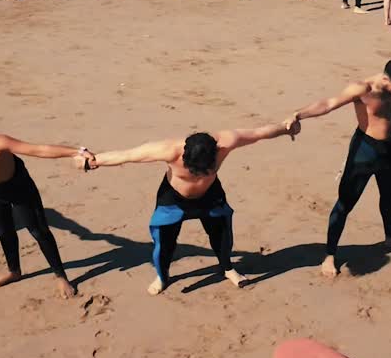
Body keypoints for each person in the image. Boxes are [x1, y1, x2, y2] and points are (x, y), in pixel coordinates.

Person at [77, 118, 300, 295]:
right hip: (174, 200)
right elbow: (128, 155)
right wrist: (91, 161)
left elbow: (260, 133)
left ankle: (227, 268)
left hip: (210, 196)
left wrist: (286, 128)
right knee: (164, 243)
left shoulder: (227, 142)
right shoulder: (168, 150)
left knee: (222, 236)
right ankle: (162, 276)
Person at [284, 59, 391, 276]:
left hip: (390, 148)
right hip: (365, 150)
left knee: (389, 195)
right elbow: (328, 104)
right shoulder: (363, 89)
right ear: (385, 78)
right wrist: (297, 115)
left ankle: (390, 238)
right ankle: (330, 255)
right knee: (345, 203)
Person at [0, 125, 95, 297]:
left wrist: (78, 152)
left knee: (38, 231)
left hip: (18, 187)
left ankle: (61, 277)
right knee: (3, 231)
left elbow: (38, 149)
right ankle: (14, 271)